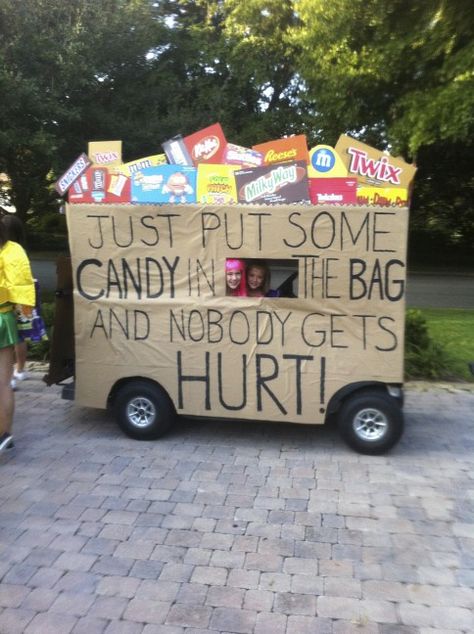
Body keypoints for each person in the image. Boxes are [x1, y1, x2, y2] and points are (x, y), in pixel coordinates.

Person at [0, 220, 35, 452]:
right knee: (3, 383)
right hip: (4, 317)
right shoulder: (14, 250)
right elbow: (24, 289)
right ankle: (5, 434)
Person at [2, 215, 46, 389]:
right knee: (21, 334)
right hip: (28, 294)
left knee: (8, 335)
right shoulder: (20, 248)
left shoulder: (7, 249)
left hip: (10, 296)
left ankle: (9, 373)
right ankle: (20, 370)